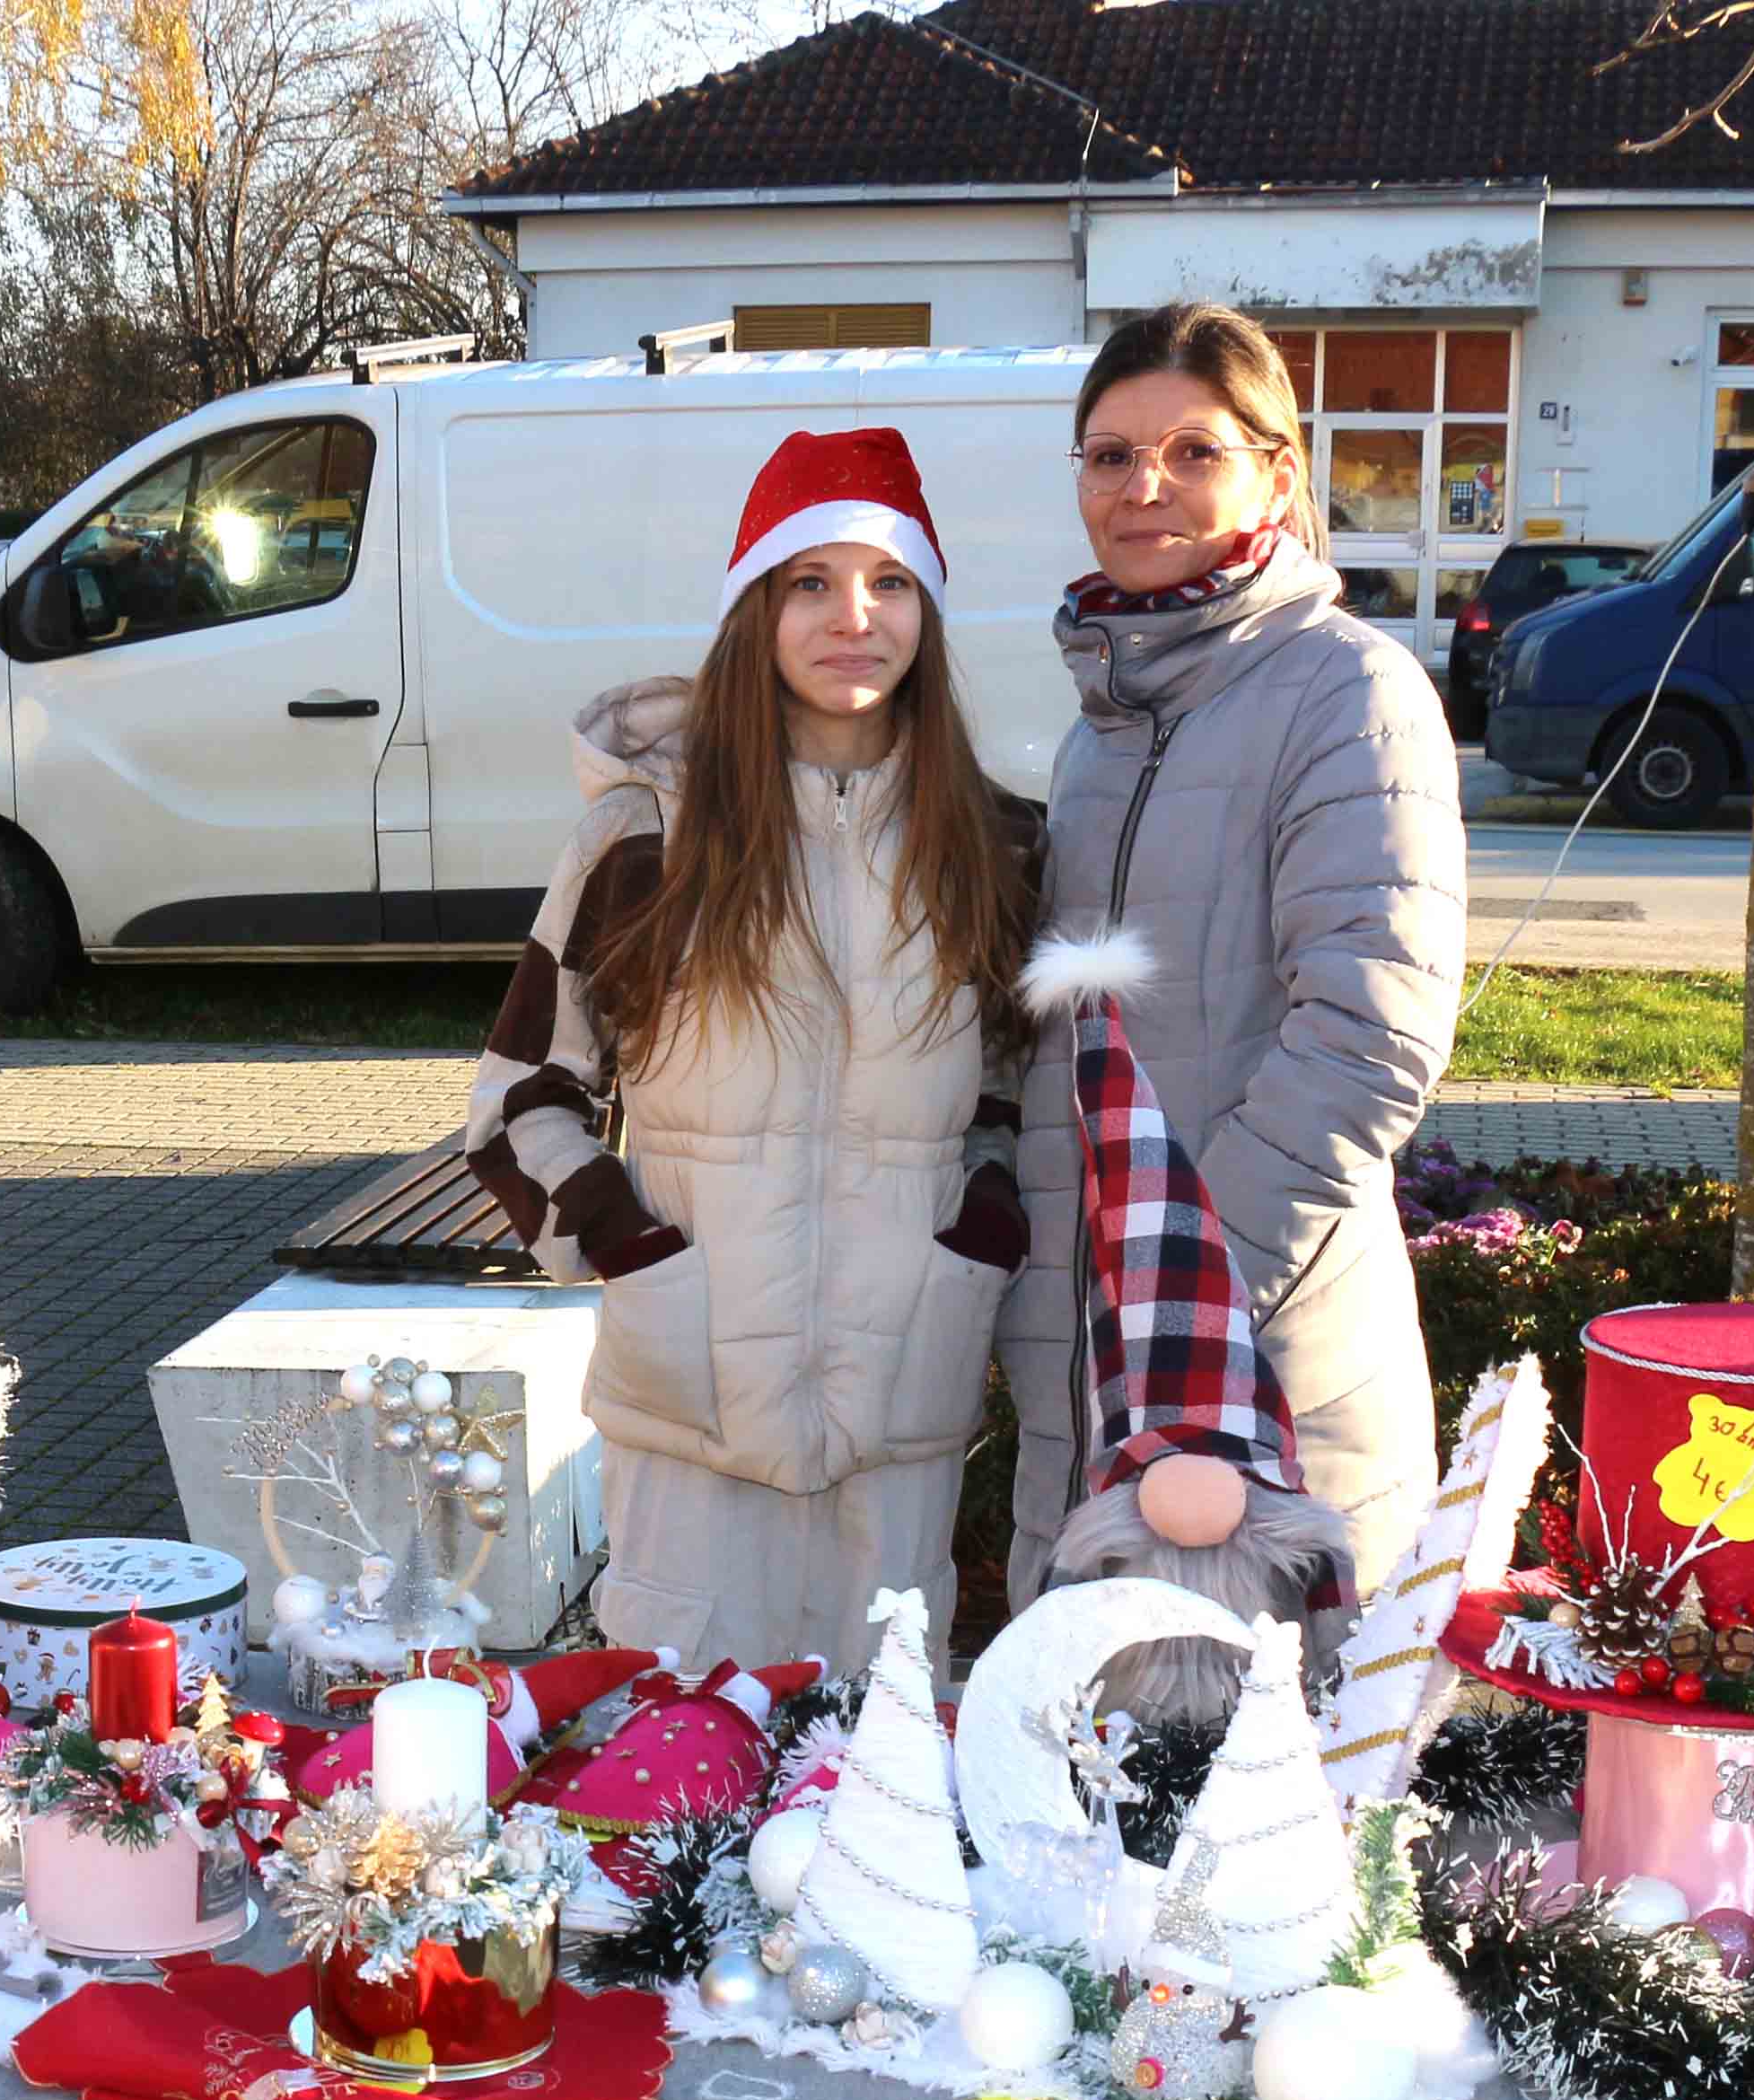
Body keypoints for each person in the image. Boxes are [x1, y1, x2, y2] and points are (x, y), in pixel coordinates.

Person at [462, 427, 1033, 1672]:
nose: (855, 616)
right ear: (756, 610)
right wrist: (633, 1248)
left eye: (888, 582)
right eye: (810, 583)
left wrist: (977, 1235)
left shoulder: (989, 843)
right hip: (691, 1401)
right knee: (677, 1757)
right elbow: (520, 1098)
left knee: (879, 1765)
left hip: (904, 1395)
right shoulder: (647, 835)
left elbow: (1013, 1092)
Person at [997, 303, 1465, 1620]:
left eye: (1193, 450)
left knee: (1272, 1784)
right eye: (1109, 455)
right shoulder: (1104, 723)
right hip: (1094, 1363)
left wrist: (1188, 1293)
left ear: (1277, 471)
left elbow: (1368, 1042)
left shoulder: (1347, 691)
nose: (1144, 488)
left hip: (1261, 1359)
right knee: (1095, 1773)